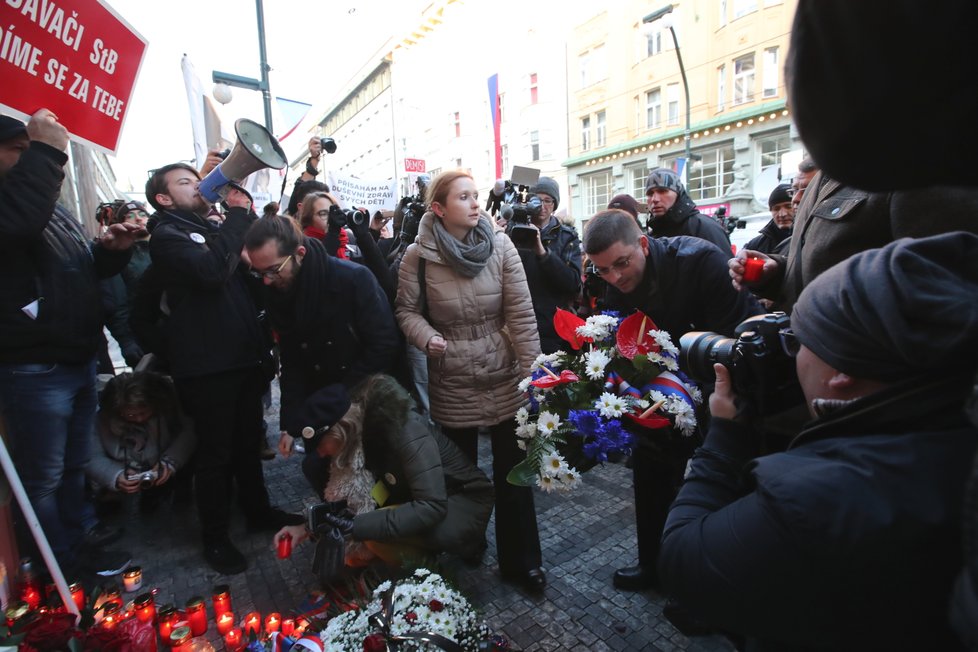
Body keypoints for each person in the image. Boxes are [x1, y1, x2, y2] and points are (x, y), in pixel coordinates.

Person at [660, 233, 978, 648]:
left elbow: (682, 560)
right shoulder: (953, 432)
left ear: (843, 373)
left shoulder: (819, 498)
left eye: (797, 340)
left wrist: (725, 433)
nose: (790, 358)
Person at [581, 209, 762, 591]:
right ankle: (655, 566)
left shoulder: (701, 261)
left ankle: (703, 587)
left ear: (643, 245)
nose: (615, 278)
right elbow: (624, 344)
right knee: (649, 471)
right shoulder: (614, 281)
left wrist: (705, 415)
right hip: (664, 386)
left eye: (621, 264)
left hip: (727, 384)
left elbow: (733, 343)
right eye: (604, 271)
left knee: (715, 489)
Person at [0, 110, 139, 577]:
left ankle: (81, 533)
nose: (28, 158)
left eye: (29, 149)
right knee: (43, 476)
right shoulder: (19, 204)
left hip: (72, 356)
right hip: (32, 367)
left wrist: (109, 253)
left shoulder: (44, 207)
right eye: (18, 149)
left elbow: (76, 272)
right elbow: (14, 226)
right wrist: (44, 152)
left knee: (74, 463)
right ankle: (57, 562)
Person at [145, 163, 301, 574]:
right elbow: (212, 273)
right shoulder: (167, 236)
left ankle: (257, 510)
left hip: (240, 359)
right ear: (163, 199)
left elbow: (240, 278)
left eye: (197, 179)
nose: (197, 185)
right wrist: (233, 215)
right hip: (207, 368)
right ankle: (214, 537)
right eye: (185, 182)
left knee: (248, 443)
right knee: (215, 454)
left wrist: (242, 221)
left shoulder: (208, 229)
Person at [395, 170, 545, 590]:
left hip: (504, 375)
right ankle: (466, 544)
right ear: (439, 209)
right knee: (461, 477)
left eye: (476, 195)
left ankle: (523, 562)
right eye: (464, 197)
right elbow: (406, 312)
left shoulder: (500, 245)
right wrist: (427, 338)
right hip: (453, 377)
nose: (476, 203)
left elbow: (522, 315)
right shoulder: (417, 257)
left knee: (514, 475)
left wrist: (533, 380)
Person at [242, 215, 399, 494]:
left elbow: (383, 344)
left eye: (273, 270)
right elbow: (291, 360)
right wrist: (291, 424)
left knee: (379, 486)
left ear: (299, 254)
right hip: (321, 406)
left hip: (366, 399)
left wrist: (337, 397)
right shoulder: (278, 292)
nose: (266, 281)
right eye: (259, 273)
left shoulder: (352, 279)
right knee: (326, 478)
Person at [273, 375, 494, 568]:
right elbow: (352, 502)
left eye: (320, 445)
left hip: (463, 500)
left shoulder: (406, 430)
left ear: (339, 430)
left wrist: (358, 526)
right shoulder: (358, 439)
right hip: (419, 495)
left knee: (374, 536)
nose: (320, 454)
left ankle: (430, 585)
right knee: (371, 528)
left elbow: (431, 506)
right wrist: (307, 528)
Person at [728, 174, 978, 312]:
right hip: (819, 365)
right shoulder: (824, 176)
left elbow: (944, 296)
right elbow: (822, 263)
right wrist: (776, 272)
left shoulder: (913, 165)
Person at [88, 372, 196, 500]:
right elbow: (90, 455)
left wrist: (170, 462)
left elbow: (189, 432)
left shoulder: (168, 407)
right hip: (121, 464)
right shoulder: (100, 419)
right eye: (131, 415)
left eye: (143, 413)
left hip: (162, 455)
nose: (139, 419)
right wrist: (114, 475)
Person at [506, 177, 583, 354]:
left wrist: (543, 252)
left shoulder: (567, 237)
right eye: (536, 200)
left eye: (547, 200)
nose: (542, 205)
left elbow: (572, 283)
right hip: (522, 321)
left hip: (555, 325)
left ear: (554, 204)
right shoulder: (516, 231)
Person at [643, 168, 731, 253]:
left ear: (678, 194)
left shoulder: (705, 227)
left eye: (662, 191)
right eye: (650, 194)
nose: (655, 199)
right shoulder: (652, 234)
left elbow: (724, 266)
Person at [743, 184, 793, 255]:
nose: (782, 214)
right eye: (776, 209)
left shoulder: (809, 239)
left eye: (788, 206)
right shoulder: (756, 245)